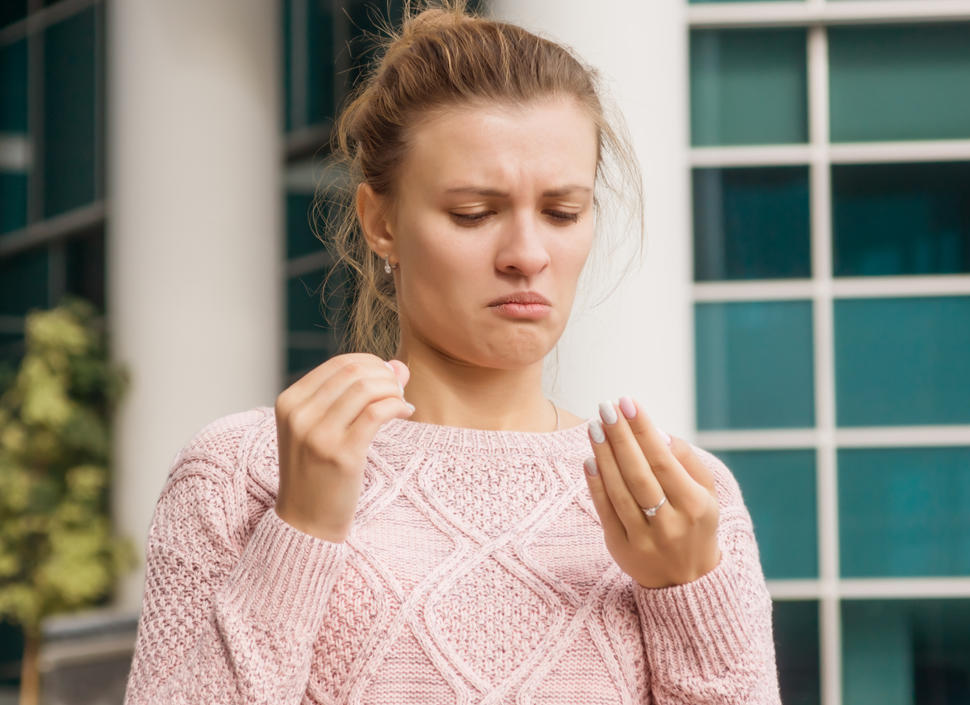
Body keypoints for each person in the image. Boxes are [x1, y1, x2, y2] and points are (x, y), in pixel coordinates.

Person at [123, 2, 781, 703]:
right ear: (380, 222)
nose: (528, 254)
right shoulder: (242, 474)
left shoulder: (678, 499)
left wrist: (687, 594)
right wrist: (300, 532)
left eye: (562, 212)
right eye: (475, 213)